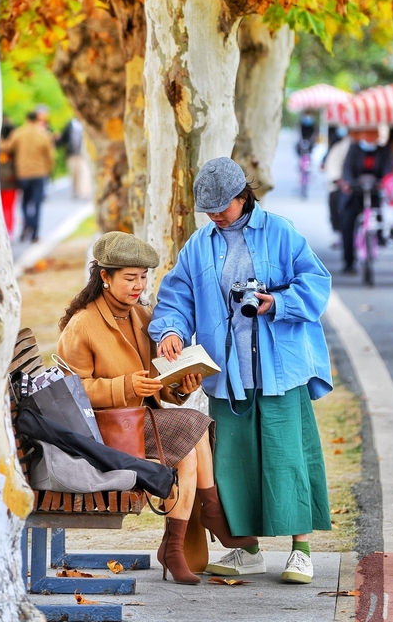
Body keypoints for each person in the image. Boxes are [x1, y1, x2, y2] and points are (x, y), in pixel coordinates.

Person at [149, 157, 332, 585]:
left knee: (288, 459)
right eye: (208, 208)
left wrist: (278, 303)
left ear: (242, 195)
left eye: (222, 206)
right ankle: (244, 550)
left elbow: (316, 283)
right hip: (226, 375)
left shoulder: (281, 231)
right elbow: (176, 297)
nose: (215, 214)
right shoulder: (198, 244)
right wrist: (171, 331)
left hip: (279, 369)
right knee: (232, 463)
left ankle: (301, 550)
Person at [58, 231, 257, 585]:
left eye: (144, 277)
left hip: (139, 421)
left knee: (192, 436)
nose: (139, 285)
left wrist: (181, 386)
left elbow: (157, 381)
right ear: (104, 277)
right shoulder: (83, 323)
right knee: (192, 432)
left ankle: (176, 545)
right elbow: (72, 391)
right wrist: (126, 387)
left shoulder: (141, 316)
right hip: (101, 430)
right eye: (130, 278)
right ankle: (208, 519)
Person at [339, 128, 393, 275]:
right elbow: (347, 168)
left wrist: (385, 182)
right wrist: (349, 183)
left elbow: (388, 168)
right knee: (348, 223)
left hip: (375, 193)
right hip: (355, 194)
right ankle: (349, 261)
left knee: (381, 217)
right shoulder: (354, 149)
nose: (370, 136)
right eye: (367, 132)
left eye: (373, 133)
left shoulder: (384, 151)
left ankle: (380, 238)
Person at [3, 109, 55, 242]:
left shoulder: (18, 133)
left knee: (24, 202)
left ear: (26, 119)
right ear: (37, 120)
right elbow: (51, 156)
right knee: (37, 203)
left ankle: (27, 224)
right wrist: (49, 169)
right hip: (40, 173)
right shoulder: (43, 134)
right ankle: (35, 232)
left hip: (23, 173)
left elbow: (8, 147)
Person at [321, 127, 350, 246]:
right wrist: (341, 181)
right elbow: (332, 169)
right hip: (340, 186)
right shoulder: (338, 147)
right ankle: (338, 232)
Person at [56, 116, 91, 199]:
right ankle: (75, 190)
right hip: (71, 154)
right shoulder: (70, 125)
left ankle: (83, 192)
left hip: (83, 154)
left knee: (83, 173)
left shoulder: (85, 124)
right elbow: (63, 138)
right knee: (74, 173)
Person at [0, 116, 17, 236]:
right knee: (9, 207)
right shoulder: (14, 147)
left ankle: (3, 229)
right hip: (11, 180)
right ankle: (9, 230)